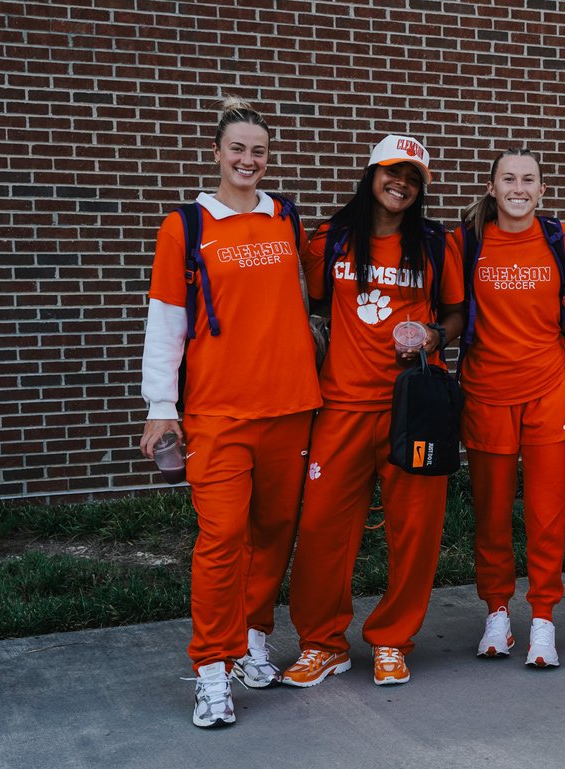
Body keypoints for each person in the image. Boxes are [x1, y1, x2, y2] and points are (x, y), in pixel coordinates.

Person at [139, 97, 321, 728]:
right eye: (238, 148)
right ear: (217, 153)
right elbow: (165, 322)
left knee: (273, 534)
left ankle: (251, 642)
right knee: (221, 540)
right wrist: (162, 407)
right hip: (218, 411)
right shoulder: (186, 225)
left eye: (259, 151)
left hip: (292, 404)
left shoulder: (286, 219)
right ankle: (211, 668)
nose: (249, 160)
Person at [280, 135, 465, 689]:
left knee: (416, 529)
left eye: (413, 177)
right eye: (392, 172)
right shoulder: (331, 240)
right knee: (321, 528)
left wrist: (432, 333)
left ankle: (392, 640)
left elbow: (456, 315)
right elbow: (306, 307)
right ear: (371, 174)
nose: (401, 183)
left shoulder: (435, 244)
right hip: (341, 404)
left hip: (414, 407)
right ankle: (322, 643)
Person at [457, 148, 565, 667]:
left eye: (529, 179)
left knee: (547, 514)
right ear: (492, 187)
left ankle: (545, 618)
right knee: (491, 515)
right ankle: (498, 613)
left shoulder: (562, 240)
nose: (518, 188)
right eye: (508, 178)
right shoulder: (466, 242)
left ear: (542, 190)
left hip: (550, 390)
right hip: (486, 392)